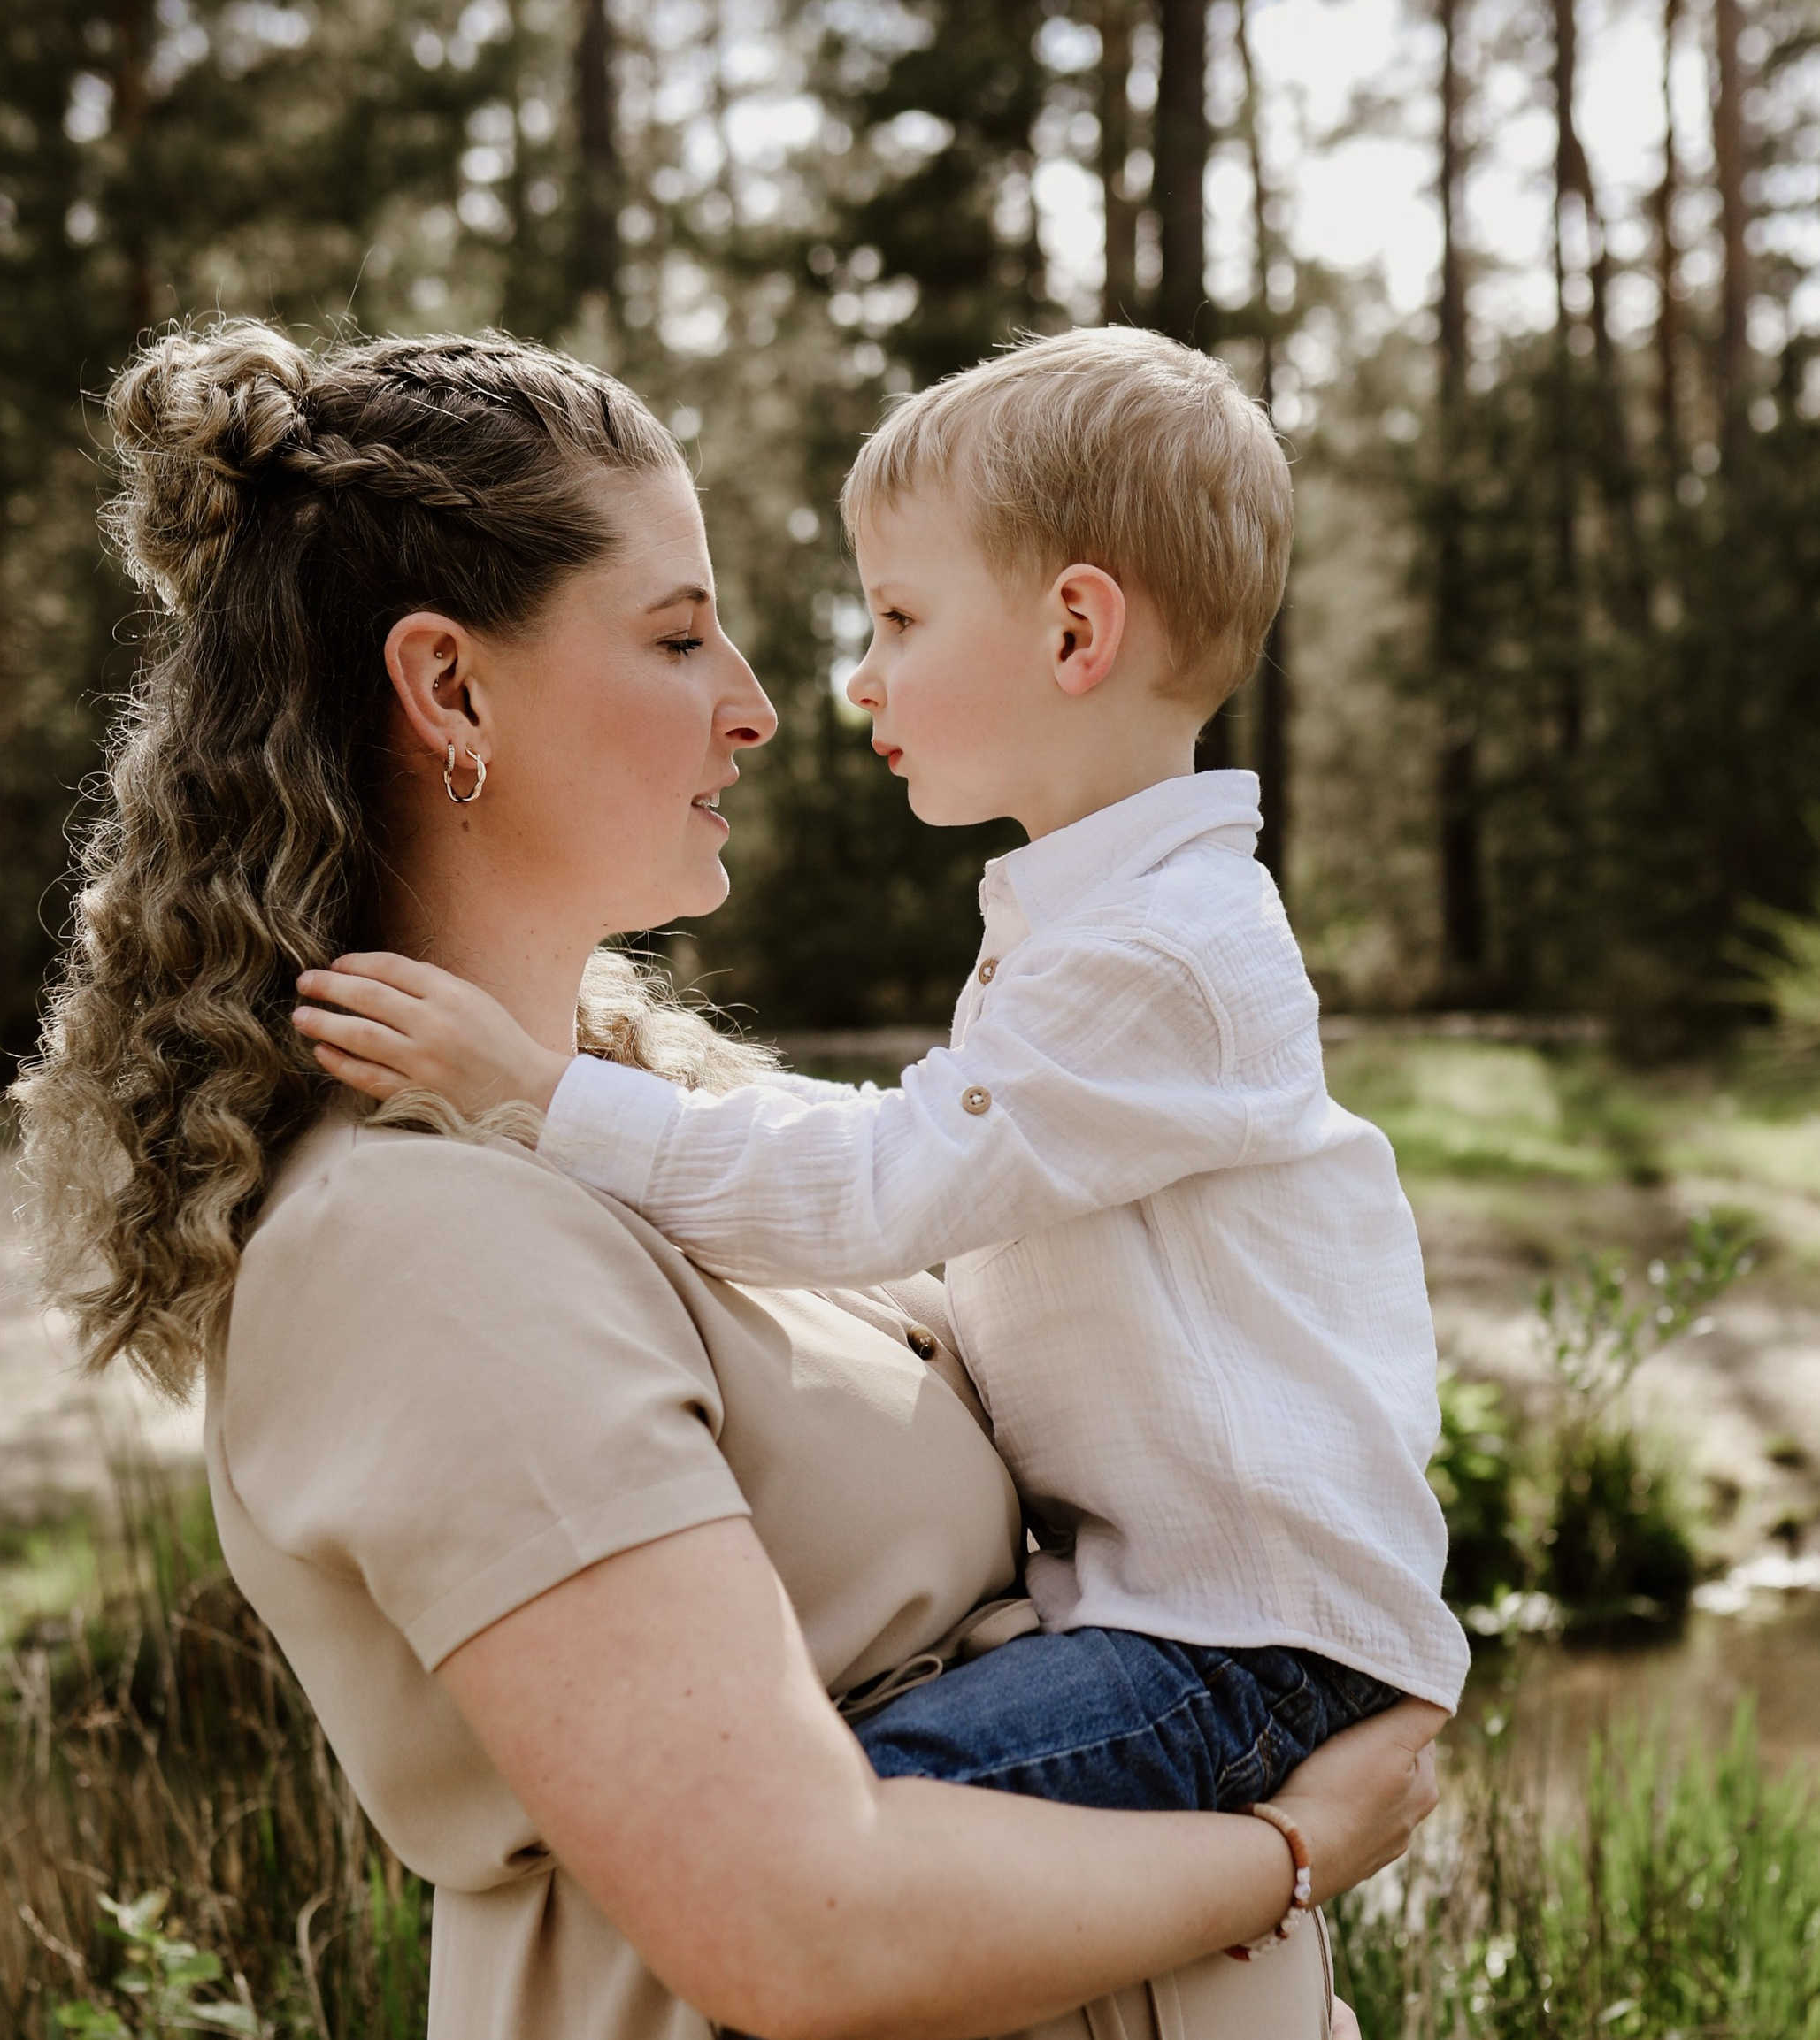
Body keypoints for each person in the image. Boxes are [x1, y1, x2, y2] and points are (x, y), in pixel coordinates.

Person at [15, 317, 1445, 2040]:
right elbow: (802, 1926)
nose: (763, 706)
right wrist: (1290, 1847)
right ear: (452, 691)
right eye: (681, 635)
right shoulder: (415, 1241)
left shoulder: (663, 1131)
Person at [291, 326, 1471, 1823]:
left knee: (843, 1815)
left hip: (1244, 1637)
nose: (850, 680)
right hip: (1180, 1614)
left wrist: (547, 1095)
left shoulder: (1162, 956)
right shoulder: (1100, 924)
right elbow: (915, 1144)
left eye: (900, 619)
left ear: (1071, 635)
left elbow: (886, 1186)